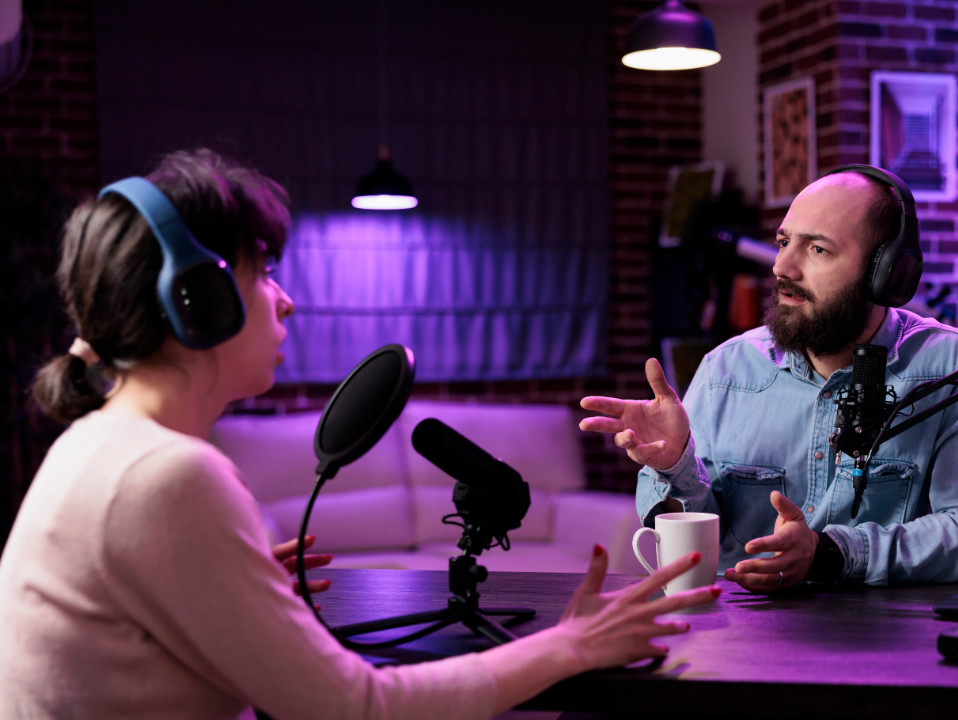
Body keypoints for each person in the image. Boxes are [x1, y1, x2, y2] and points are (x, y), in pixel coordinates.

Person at [0, 149, 721, 719]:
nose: (287, 300)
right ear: (201, 300)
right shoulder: (168, 476)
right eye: (265, 271)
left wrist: (234, 585)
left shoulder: (94, 446)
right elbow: (355, 708)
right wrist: (570, 645)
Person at [580, 165, 958, 593]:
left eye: (817, 249)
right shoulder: (725, 372)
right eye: (783, 242)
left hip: (891, 637)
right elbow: (702, 545)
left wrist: (832, 554)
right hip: (743, 631)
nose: (782, 267)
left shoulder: (957, 371)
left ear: (885, 274)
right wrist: (675, 465)